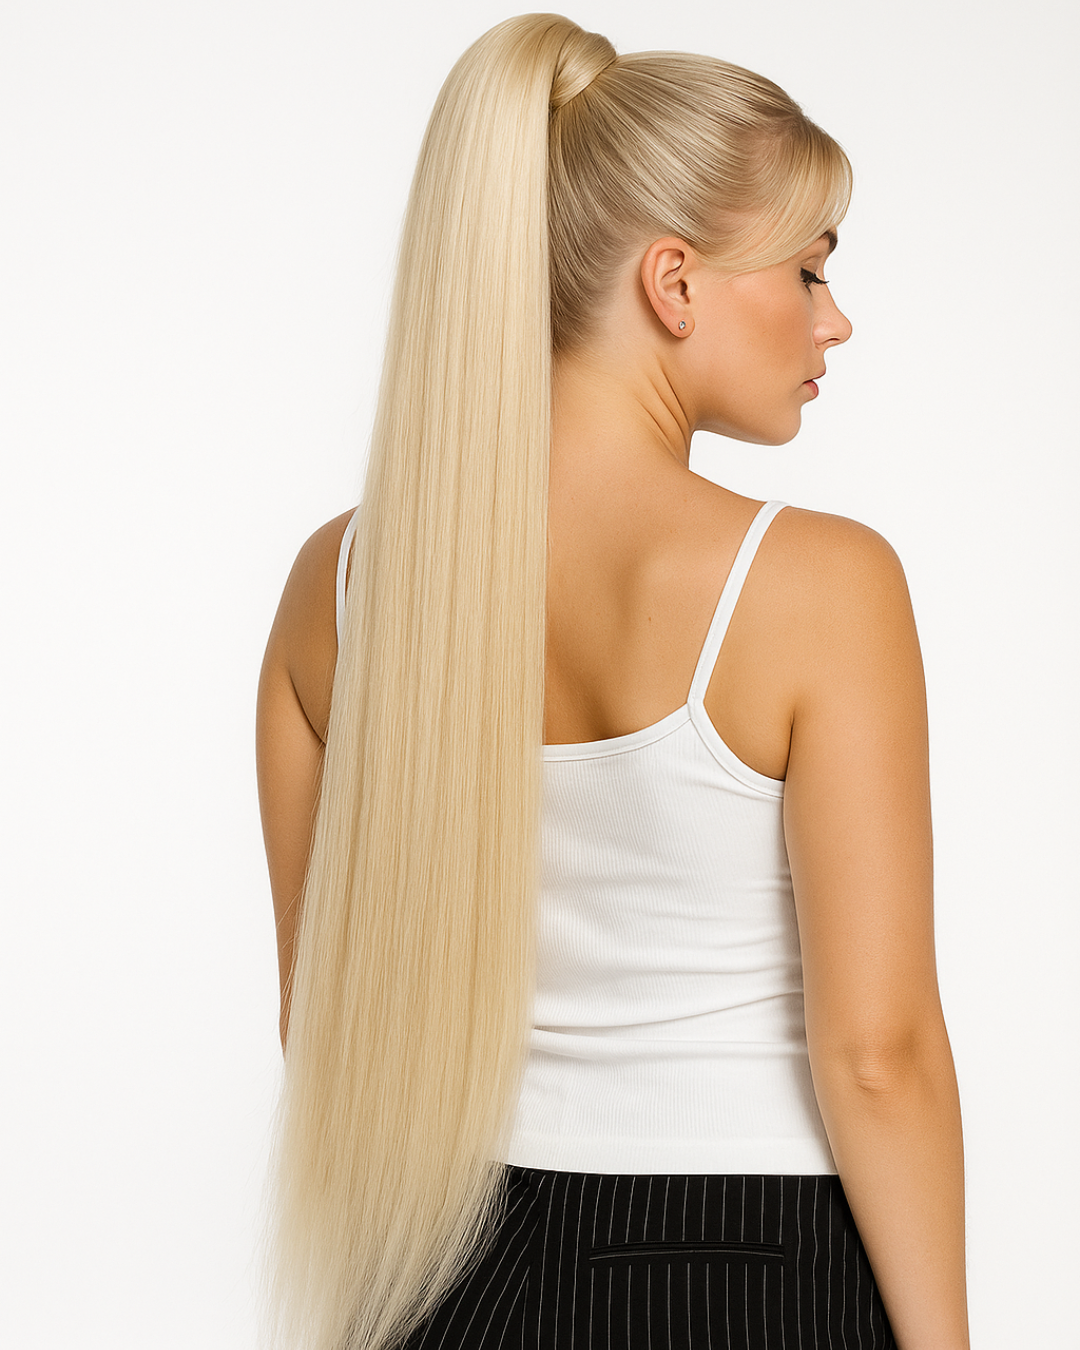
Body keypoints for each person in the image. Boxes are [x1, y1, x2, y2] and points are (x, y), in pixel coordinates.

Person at [255, 13, 969, 1350]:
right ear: (674, 283)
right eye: (810, 270)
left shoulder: (338, 584)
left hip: (447, 1271)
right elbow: (879, 1057)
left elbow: (324, 1018)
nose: (835, 318)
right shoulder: (817, 584)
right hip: (756, 1266)